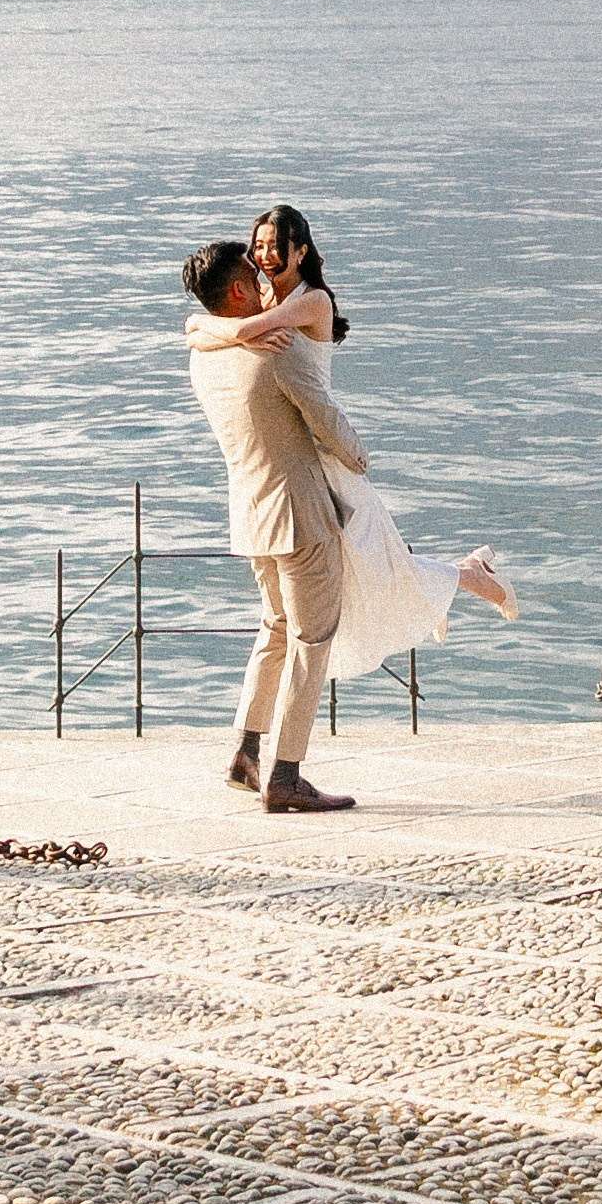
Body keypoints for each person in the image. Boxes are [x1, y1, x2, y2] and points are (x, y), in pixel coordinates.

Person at [187, 206, 519, 676]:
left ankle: (469, 582)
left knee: (375, 565)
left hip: (330, 453)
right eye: (257, 245)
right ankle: (462, 580)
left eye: (274, 245)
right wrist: (212, 329)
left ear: (300, 252)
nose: (263, 254)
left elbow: (224, 330)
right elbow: (208, 329)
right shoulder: (265, 301)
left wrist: (214, 329)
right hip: (302, 458)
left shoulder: (310, 302)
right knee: (370, 566)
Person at [182, 237, 368, 815]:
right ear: (239, 290)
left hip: (251, 513)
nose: (264, 282)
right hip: (301, 516)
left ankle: (245, 751)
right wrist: (361, 459)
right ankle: (285, 775)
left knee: (276, 631)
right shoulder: (275, 348)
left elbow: (198, 330)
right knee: (312, 641)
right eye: (254, 276)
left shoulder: (205, 353)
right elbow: (323, 415)